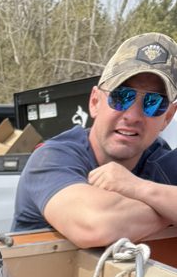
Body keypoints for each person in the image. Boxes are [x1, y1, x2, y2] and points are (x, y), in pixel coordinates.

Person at [12, 33, 177, 247]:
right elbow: (96, 225)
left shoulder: (161, 162)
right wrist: (168, 208)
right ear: (95, 101)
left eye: (154, 103)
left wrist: (138, 188)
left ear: (167, 117)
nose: (133, 116)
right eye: (121, 97)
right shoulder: (51, 158)